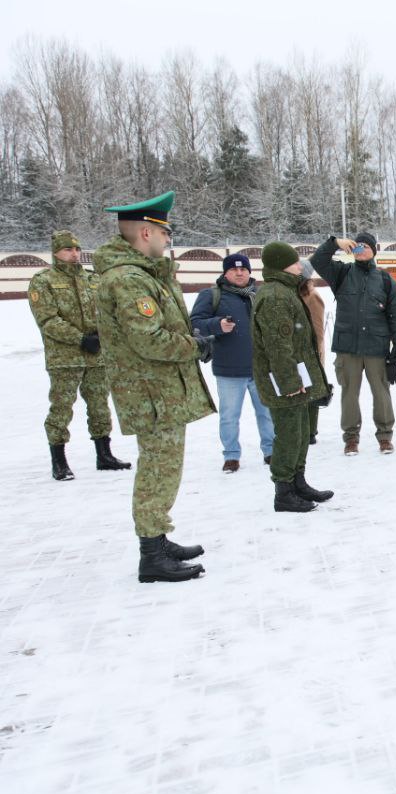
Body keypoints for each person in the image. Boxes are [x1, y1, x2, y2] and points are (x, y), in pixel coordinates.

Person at [94, 190, 213, 583]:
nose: (168, 240)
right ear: (146, 233)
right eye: (165, 233)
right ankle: (152, 553)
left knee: (164, 467)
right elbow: (150, 339)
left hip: (159, 391)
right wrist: (195, 346)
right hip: (150, 394)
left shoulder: (142, 274)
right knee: (157, 469)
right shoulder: (128, 280)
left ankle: (157, 538)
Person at [28, 229, 130, 481]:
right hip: (65, 357)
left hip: (97, 355)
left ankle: (104, 454)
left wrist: (102, 337)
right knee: (62, 408)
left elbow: (109, 311)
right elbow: (48, 320)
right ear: (55, 253)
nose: (74, 254)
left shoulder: (93, 279)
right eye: (67, 250)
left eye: (76, 249)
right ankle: (59, 461)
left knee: (99, 405)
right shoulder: (43, 281)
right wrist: (81, 339)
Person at [250, 242, 333, 513]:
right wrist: (289, 384)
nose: (301, 266)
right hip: (286, 383)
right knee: (288, 435)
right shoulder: (275, 296)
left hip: (298, 379)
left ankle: (298, 482)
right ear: (281, 266)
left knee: (299, 433)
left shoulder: (285, 290)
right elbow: (278, 347)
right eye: (295, 262)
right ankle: (284, 492)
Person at [309, 231, 396, 456]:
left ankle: (384, 436)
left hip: (376, 346)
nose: (361, 250)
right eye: (357, 246)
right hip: (348, 347)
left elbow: (395, 314)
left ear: (374, 251)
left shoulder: (385, 279)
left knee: (381, 393)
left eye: (366, 246)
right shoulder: (341, 273)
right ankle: (351, 438)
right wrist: (334, 243)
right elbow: (317, 261)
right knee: (349, 393)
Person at [190, 252, 274, 473]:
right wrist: (217, 325)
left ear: (249, 271)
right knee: (229, 417)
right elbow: (194, 324)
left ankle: (271, 451)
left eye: (243, 269)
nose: (239, 273)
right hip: (229, 370)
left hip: (260, 368)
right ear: (225, 272)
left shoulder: (260, 293)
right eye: (234, 269)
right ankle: (231, 456)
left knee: (267, 413)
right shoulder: (211, 295)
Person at [299, 259, 328, 446]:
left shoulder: (312, 296)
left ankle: (310, 431)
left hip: (311, 353)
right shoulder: (291, 293)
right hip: (294, 353)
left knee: (310, 392)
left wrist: (316, 355)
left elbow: (318, 330)